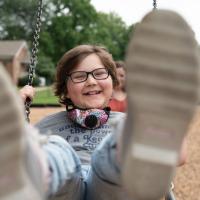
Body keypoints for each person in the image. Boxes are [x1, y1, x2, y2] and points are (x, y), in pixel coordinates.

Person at [0, 9, 199, 200]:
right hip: (62, 192)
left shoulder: (126, 123)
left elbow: (179, 158)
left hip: (111, 191)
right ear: (65, 88)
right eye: (79, 76)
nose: (91, 81)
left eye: (100, 74)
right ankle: (39, 166)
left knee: (111, 153)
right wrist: (17, 115)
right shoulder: (47, 126)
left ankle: (132, 152)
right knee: (56, 148)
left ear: (113, 82)